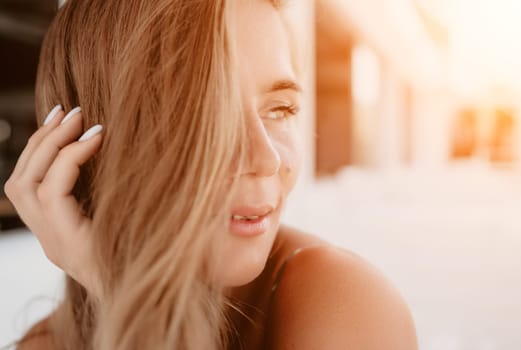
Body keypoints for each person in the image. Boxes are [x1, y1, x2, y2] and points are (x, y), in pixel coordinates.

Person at [3, 0, 418, 349]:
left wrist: (115, 287)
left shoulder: (343, 303)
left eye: (279, 109)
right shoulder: (44, 342)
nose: (267, 159)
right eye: (207, 114)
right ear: (82, 143)